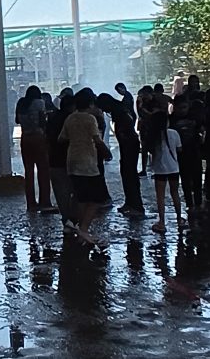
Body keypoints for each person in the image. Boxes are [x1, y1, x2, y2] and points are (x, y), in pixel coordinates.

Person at [61, 89, 109, 245]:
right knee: (96, 199)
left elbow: (61, 138)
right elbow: (97, 139)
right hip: (87, 163)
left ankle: (77, 227)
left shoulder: (70, 118)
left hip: (72, 161)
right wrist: (106, 152)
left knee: (81, 197)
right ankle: (83, 229)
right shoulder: (90, 119)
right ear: (90, 103)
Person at [98, 92, 144, 217]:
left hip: (129, 145)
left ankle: (136, 205)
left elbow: (125, 131)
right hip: (129, 145)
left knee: (130, 175)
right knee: (127, 174)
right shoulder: (121, 108)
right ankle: (130, 202)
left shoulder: (119, 113)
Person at [144, 110, 183, 234]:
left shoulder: (153, 136)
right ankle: (179, 219)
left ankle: (161, 222)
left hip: (160, 169)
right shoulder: (174, 133)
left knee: (160, 196)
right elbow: (180, 149)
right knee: (175, 193)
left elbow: (149, 151)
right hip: (174, 168)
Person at [16, 85, 54, 212]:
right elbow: (42, 121)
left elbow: (17, 120)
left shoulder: (21, 103)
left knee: (29, 172)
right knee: (43, 171)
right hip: (38, 138)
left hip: (25, 138)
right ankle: (45, 202)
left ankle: (31, 203)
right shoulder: (39, 103)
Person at [46, 95, 77, 226]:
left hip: (54, 159)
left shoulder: (53, 118)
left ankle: (66, 218)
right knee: (74, 190)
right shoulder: (72, 120)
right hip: (71, 159)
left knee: (60, 191)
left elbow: (47, 137)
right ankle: (74, 218)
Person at [171, 96, 204, 216]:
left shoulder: (194, 118)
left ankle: (198, 203)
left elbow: (201, 131)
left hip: (194, 151)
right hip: (180, 154)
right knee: (185, 179)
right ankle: (190, 204)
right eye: (180, 108)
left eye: (184, 107)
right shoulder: (171, 120)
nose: (182, 110)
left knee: (197, 179)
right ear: (174, 107)